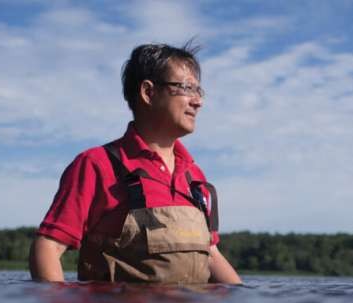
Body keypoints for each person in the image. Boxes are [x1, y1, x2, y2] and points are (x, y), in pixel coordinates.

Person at [29, 42, 242, 284]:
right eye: (186, 88)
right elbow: (47, 247)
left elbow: (211, 255)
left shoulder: (195, 177)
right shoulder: (96, 165)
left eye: (198, 91)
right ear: (148, 92)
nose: (198, 101)